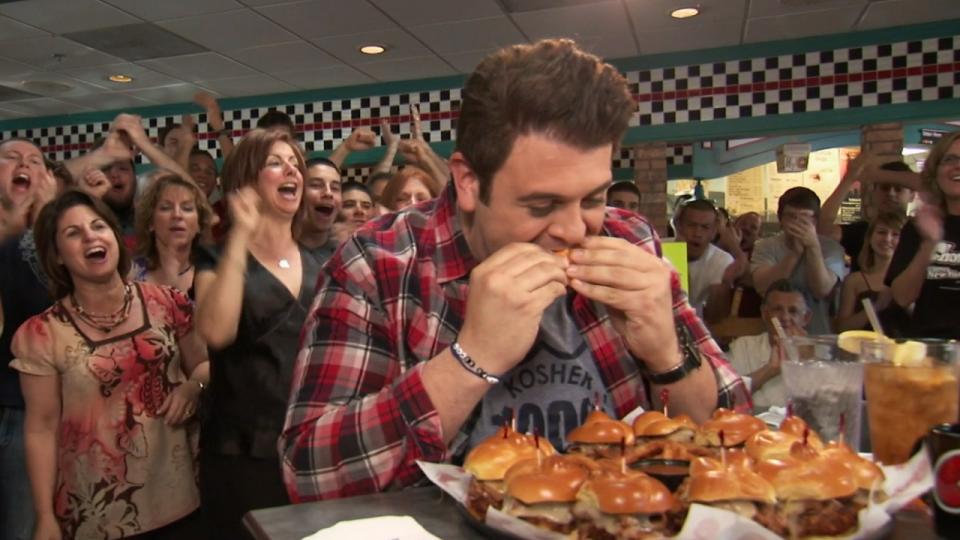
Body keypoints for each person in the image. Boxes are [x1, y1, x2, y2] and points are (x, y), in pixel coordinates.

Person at [280, 39, 749, 502]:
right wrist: (472, 359)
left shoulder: (630, 240)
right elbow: (311, 474)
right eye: (542, 204)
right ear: (468, 182)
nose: (572, 229)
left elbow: (735, 437)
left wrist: (668, 355)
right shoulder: (377, 265)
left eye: (593, 199)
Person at [11, 190, 209, 540]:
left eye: (98, 226)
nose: (91, 237)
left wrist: (194, 387)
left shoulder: (168, 303)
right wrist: (43, 517)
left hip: (183, 502)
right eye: (73, 233)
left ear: (115, 237)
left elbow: (205, 365)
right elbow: (40, 429)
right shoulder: (42, 334)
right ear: (57, 256)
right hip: (95, 517)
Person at [193, 128, 321, 539]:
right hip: (241, 457)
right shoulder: (217, 258)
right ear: (246, 180)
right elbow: (215, 331)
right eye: (275, 163)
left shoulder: (323, 264)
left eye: (296, 164)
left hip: (309, 452)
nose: (293, 171)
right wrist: (239, 238)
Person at [884, 131, 960, 339]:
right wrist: (928, 244)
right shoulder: (919, 226)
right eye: (949, 159)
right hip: (929, 352)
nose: (957, 166)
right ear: (935, 171)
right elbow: (901, 297)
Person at [751, 187, 846, 335]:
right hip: (774, 337)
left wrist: (813, 246)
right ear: (780, 219)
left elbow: (822, 289)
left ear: (815, 221)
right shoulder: (765, 246)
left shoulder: (832, 249)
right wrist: (795, 253)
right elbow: (764, 287)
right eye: (791, 216)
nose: (797, 223)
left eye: (804, 218)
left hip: (818, 336)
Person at [818, 153, 917, 272]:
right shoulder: (861, 231)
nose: (891, 193)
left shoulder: (921, 233)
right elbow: (823, 228)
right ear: (874, 192)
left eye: (898, 189)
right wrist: (848, 179)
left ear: (912, 195)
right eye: (885, 188)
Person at [726, 279, 811, 413]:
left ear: (806, 318)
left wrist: (807, 362)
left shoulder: (820, 353)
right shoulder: (743, 347)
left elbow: (825, 408)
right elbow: (727, 398)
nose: (785, 317)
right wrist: (770, 370)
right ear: (765, 314)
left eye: (793, 311)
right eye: (778, 310)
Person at [133, 174, 214, 298]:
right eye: (166, 208)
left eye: (187, 208)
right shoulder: (132, 273)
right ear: (150, 222)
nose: (177, 215)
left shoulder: (212, 273)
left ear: (199, 225)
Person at [675, 199, 747, 322]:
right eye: (692, 225)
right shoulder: (659, 250)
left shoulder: (722, 260)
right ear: (679, 227)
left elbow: (717, 317)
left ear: (714, 232)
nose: (697, 233)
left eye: (705, 227)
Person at [836, 211, 904, 331]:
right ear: (870, 237)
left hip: (905, 349)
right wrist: (876, 306)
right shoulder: (854, 281)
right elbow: (841, 328)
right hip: (864, 348)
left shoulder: (913, 279)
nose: (887, 239)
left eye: (895, 234)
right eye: (881, 232)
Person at [300, 157, 342, 262]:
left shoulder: (347, 254)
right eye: (316, 185)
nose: (328, 193)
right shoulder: (274, 251)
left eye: (335, 188)